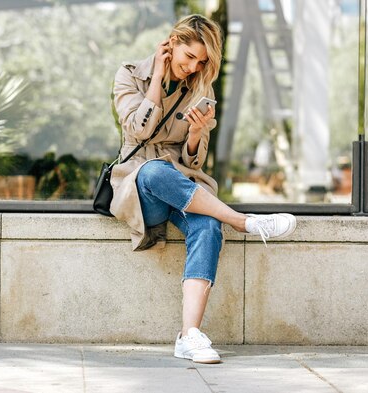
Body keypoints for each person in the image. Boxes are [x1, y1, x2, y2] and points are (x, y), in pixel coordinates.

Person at [109, 14, 296, 364]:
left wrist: (196, 133)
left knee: (208, 225)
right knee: (154, 172)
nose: (194, 67)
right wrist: (159, 80)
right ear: (171, 44)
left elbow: (193, 164)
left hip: (181, 185)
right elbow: (138, 131)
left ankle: (189, 335)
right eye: (188, 57)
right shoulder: (130, 74)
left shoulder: (200, 88)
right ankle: (244, 221)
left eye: (201, 62)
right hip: (141, 187)